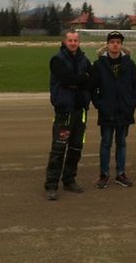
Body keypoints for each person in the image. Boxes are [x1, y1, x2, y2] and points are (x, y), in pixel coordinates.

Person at [45, 30, 94, 201]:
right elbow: (66, 79)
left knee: (75, 148)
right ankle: (51, 184)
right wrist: (81, 79)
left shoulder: (84, 60)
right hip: (64, 111)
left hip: (80, 111)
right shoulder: (57, 59)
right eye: (70, 40)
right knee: (58, 150)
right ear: (64, 42)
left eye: (75, 40)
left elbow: (92, 80)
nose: (73, 43)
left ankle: (69, 179)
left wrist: (77, 81)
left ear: (79, 42)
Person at [92, 31, 136, 189]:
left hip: (124, 110)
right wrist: (99, 103)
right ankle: (104, 175)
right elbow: (93, 87)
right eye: (112, 42)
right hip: (107, 110)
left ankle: (120, 173)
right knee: (106, 143)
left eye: (118, 42)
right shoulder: (99, 64)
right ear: (107, 44)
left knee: (122, 143)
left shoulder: (130, 64)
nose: (115, 45)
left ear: (121, 45)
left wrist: (132, 102)